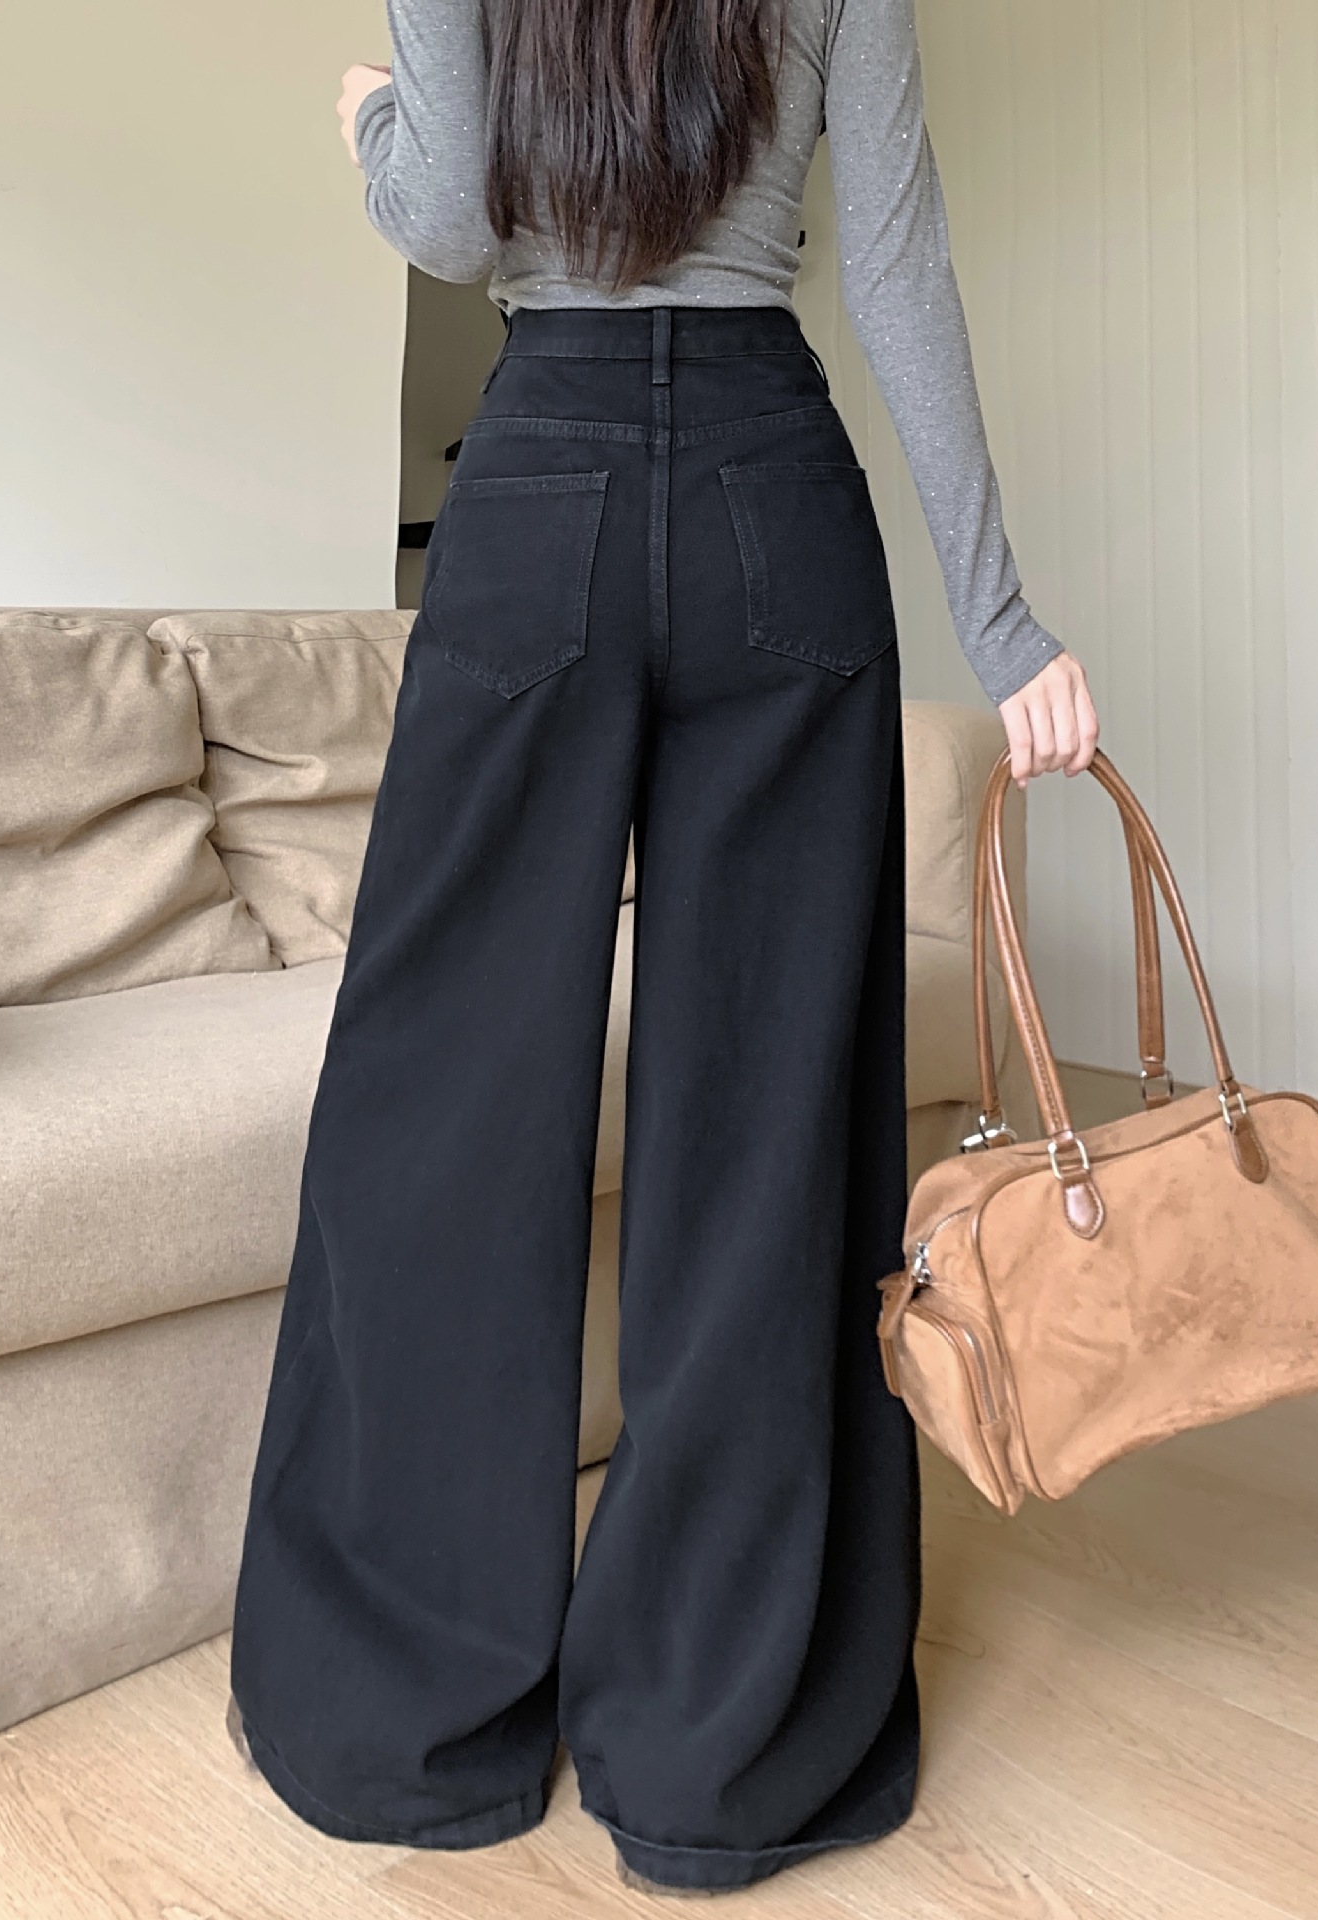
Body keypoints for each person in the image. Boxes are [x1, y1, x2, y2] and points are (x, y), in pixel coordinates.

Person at [225, 0, 1101, 1897]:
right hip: (773, 494)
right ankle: (724, 1743)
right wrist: (1005, 627)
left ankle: (405, 1723)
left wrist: (370, 118)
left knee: (439, 1112)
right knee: (763, 1124)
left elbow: (446, 221)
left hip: (537, 485)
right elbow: (894, 265)